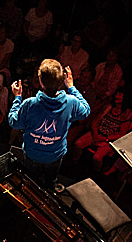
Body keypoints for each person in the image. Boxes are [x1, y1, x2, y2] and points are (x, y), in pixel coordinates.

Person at [7, 59, 90, 188]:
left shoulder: (30, 104)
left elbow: (14, 122)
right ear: (62, 82)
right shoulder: (71, 102)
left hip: (32, 155)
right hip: (54, 156)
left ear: (41, 81)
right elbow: (85, 111)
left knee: (31, 184)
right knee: (50, 183)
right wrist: (72, 87)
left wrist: (17, 98)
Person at [72, 90, 132, 171]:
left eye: (120, 95)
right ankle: (74, 164)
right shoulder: (109, 107)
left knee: (97, 157)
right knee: (78, 144)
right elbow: (95, 122)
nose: (117, 96)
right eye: (116, 94)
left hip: (110, 140)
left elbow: (121, 134)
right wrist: (95, 134)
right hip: (98, 132)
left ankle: (96, 173)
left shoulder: (127, 113)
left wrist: (105, 138)